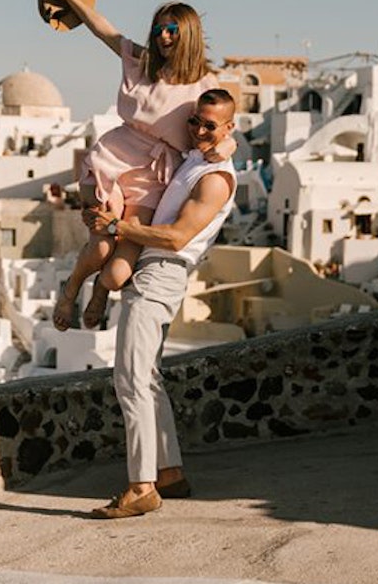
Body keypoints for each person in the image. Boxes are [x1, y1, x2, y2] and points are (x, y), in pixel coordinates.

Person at [42, 0, 233, 330]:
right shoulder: (142, 63)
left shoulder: (206, 84)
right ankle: (71, 289)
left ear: (188, 32)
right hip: (112, 160)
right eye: (159, 29)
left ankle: (101, 290)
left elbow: (224, 124)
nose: (163, 36)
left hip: (154, 179)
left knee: (116, 273)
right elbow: (104, 30)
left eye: (172, 29)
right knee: (100, 249)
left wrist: (228, 146)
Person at [82, 88, 238, 518]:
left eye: (210, 125)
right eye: (195, 121)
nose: (199, 130)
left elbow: (177, 237)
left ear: (228, 128)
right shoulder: (196, 159)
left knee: (130, 378)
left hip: (162, 271)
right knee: (147, 377)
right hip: (156, 270)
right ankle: (169, 473)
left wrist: (119, 226)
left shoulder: (214, 178)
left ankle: (141, 486)